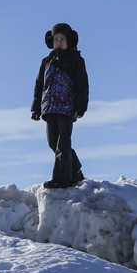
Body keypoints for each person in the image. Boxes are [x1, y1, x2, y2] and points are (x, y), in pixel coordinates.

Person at [30, 22, 89, 189]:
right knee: (53, 142)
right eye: (56, 39)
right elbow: (39, 85)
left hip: (67, 107)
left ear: (69, 41)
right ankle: (75, 170)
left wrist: (80, 106)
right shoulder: (46, 62)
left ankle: (61, 179)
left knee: (63, 144)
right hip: (49, 107)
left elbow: (82, 84)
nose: (59, 42)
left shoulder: (75, 60)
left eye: (62, 39)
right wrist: (36, 107)